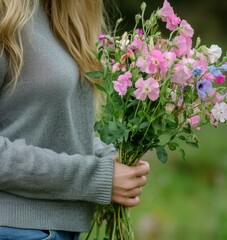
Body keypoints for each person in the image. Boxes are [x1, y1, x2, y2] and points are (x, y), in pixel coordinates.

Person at [0, 0, 150, 239]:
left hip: (60, 230)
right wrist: (97, 177)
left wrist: (109, 157)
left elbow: (56, 126)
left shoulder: (63, 15)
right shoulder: (5, 16)